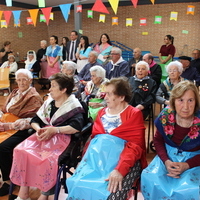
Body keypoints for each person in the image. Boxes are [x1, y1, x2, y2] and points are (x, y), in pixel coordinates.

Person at [67, 77, 147, 200]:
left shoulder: (133, 114)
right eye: (105, 94)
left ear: (121, 97)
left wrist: (119, 170)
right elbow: (94, 142)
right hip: (97, 162)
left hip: (125, 162)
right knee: (77, 184)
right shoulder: (102, 113)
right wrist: (84, 162)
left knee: (112, 192)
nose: (105, 97)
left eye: (109, 94)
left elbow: (135, 147)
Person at [10, 73, 84, 200]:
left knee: (48, 158)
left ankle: (44, 194)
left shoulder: (73, 105)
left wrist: (55, 130)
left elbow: (76, 127)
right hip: (43, 135)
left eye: (53, 86)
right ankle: (24, 193)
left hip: (62, 139)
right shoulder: (49, 103)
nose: (49, 89)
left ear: (63, 89)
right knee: (20, 151)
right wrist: (38, 129)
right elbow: (35, 120)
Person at [141, 80, 200, 200]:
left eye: (190, 100)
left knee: (190, 189)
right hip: (167, 157)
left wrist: (186, 165)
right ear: (173, 101)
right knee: (150, 178)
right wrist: (166, 161)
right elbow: (158, 141)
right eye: (180, 100)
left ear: (196, 102)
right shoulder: (165, 116)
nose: (185, 107)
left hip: (194, 161)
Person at [0, 68, 43, 196]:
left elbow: (34, 119)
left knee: (2, 147)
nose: (21, 82)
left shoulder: (34, 97)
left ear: (30, 80)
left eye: (24, 79)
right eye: (19, 80)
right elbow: (4, 109)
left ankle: (8, 180)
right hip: (6, 125)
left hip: (22, 129)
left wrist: (9, 125)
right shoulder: (14, 92)